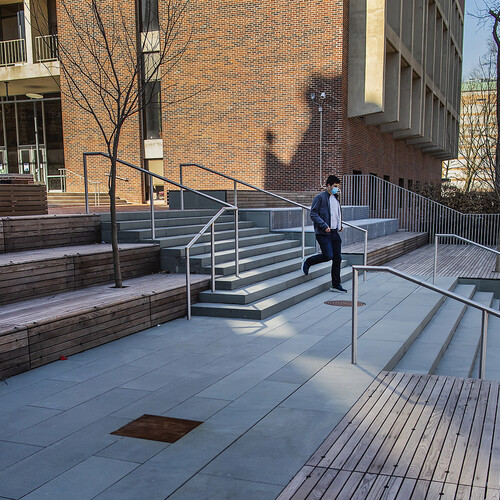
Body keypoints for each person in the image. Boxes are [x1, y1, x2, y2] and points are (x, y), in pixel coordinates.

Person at [302, 174, 347, 293]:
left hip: (334, 233)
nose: (336, 188)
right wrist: (323, 225)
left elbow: (336, 214)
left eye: (338, 186)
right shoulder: (320, 198)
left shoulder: (336, 199)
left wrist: (339, 225)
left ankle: (335, 285)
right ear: (328, 185)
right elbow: (313, 214)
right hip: (323, 233)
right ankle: (308, 262)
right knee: (328, 256)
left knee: (337, 258)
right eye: (334, 186)